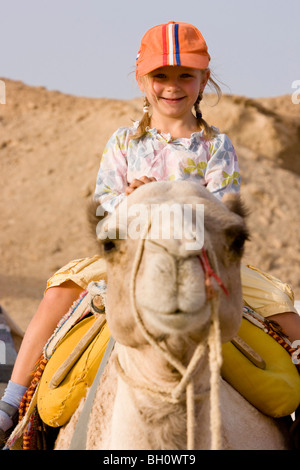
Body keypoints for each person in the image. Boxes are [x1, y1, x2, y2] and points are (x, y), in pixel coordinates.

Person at [1, 20, 299, 447]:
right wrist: (129, 201)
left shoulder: (216, 146)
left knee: (283, 309)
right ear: (143, 80)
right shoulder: (123, 143)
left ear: (203, 80)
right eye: (160, 76)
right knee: (57, 293)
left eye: (185, 76)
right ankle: (12, 407)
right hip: (132, 258)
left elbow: (226, 214)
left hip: (203, 257)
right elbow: (104, 213)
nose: (172, 87)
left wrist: (178, 199)